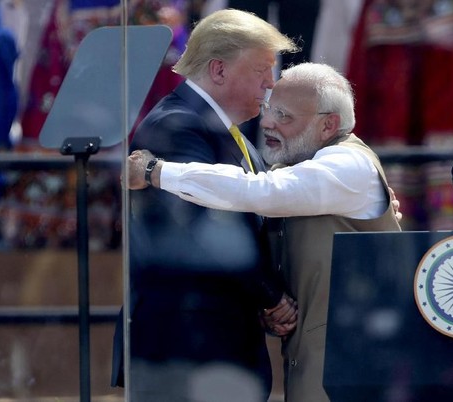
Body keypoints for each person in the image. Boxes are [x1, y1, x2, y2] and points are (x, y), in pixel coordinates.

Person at [127, 62, 403, 401]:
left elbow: (260, 191)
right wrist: (272, 301)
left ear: (328, 124)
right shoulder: (306, 167)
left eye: (284, 116)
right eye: (270, 110)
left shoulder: (349, 166)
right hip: (323, 361)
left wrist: (157, 171)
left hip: (352, 366)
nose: (267, 122)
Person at [111, 9, 300, 401]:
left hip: (216, 347)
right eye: (262, 70)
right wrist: (271, 297)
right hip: (184, 349)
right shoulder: (176, 125)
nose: (272, 81)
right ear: (218, 71)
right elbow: (208, 231)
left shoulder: (230, 133)